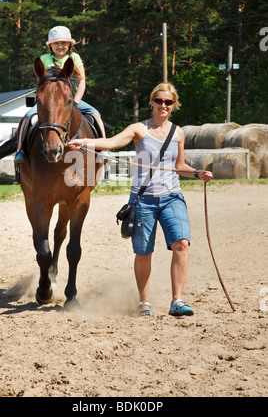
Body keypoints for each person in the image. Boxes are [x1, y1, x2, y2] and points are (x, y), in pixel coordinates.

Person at [68, 82, 213, 317]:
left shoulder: (178, 132)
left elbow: (179, 167)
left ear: (174, 105)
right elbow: (113, 142)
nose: (163, 105)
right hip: (143, 199)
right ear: (152, 103)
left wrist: (197, 173)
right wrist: (85, 142)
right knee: (144, 252)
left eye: (168, 102)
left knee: (182, 244)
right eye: (159, 101)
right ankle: (144, 303)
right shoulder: (139, 129)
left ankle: (177, 301)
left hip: (172, 197)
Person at [14, 26, 106, 164]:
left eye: (63, 43)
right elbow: (40, 84)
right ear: (50, 45)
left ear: (69, 44)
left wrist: (75, 101)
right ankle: (20, 150)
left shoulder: (75, 57)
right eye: (56, 43)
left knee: (95, 114)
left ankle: (103, 150)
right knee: (27, 117)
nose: (60, 46)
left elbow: (82, 81)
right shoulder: (44, 58)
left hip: (70, 99)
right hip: (49, 101)